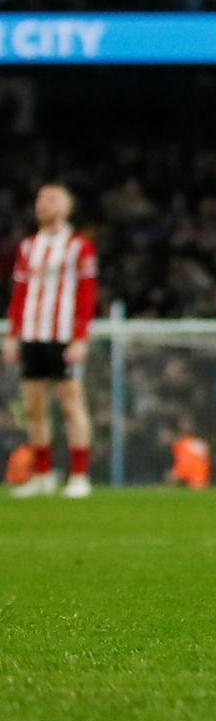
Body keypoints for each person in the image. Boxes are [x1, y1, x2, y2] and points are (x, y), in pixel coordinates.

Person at [6, 184, 98, 498]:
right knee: (33, 407)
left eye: (51, 199)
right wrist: (12, 335)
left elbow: (87, 295)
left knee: (72, 404)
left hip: (63, 336)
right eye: (39, 199)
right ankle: (42, 475)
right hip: (32, 334)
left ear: (66, 207)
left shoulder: (78, 247)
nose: (42, 204)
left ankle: (79, 475)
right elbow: (18, 295)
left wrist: (80, 337)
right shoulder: (28, 247)